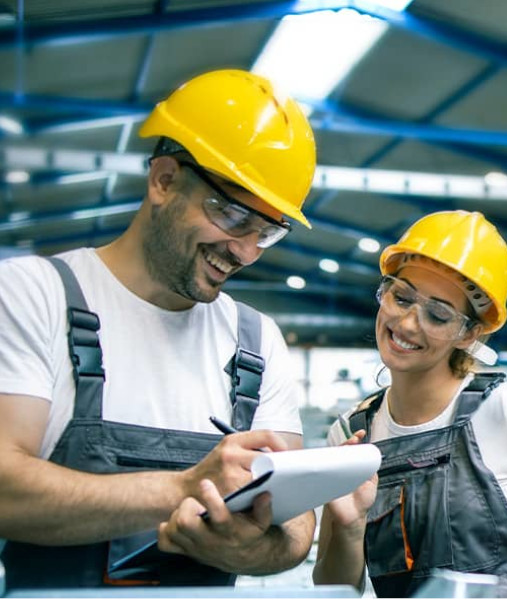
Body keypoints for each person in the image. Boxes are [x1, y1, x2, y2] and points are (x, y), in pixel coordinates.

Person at [0, 68, 317, 590]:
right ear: (164, 180)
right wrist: (181, 489)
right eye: (233, 216)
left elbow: (297, 527)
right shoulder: (36, 294)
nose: (244, 251)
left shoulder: (255, 340)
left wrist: (252, 549)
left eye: (266, 232)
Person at [312, 210, 507, 598]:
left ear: (469, 333)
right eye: (401, 297)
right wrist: (348, 527)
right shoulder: (351, 434)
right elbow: (333, 588)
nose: (409, 324)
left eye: (438, 314)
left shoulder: (505, 412)